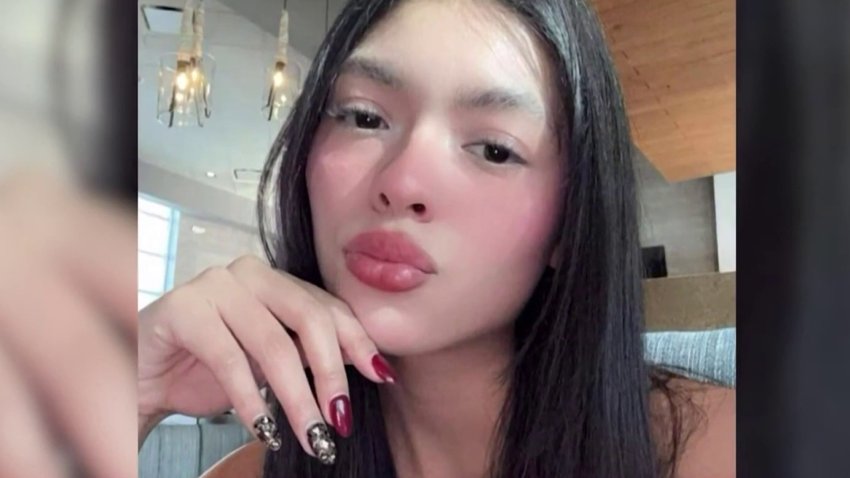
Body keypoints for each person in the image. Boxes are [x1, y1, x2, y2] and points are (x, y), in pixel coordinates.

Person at [138, 0, 735, 477]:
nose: (402, 183)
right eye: (364, 116)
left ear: (569, 222)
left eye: (494, 149)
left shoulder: (718, 450)